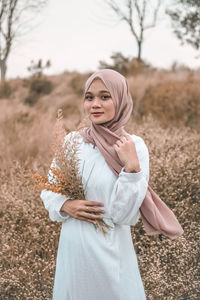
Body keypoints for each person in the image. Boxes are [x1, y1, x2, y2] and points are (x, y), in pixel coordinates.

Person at [40, 69, 150, 299]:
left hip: (110, 253)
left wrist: (131, 169)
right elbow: (49, 189)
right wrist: (65, 205)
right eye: (89, 97)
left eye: (105, 96)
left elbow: (125, 215)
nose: (95, 104)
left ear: (120, 99)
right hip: (73, 253)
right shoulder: (73, 141)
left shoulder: (133, 146)